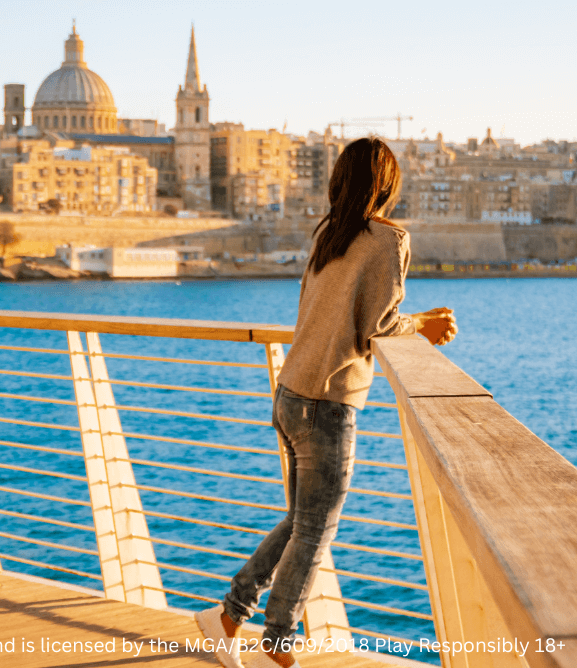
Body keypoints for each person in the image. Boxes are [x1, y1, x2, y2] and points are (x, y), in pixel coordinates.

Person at [195, 137, 457, 668]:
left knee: (300, 520)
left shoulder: (328, 235)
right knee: (316, 526)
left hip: (290, 392)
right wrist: (424, 326)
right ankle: (277, 645)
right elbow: (377, 326)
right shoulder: (388, 240)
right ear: (387, 185)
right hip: (327, 401)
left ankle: (226, 619)